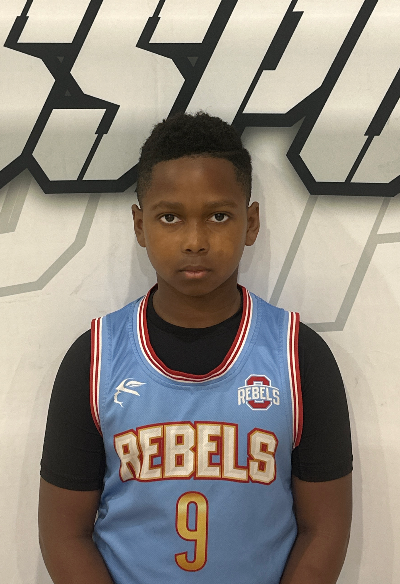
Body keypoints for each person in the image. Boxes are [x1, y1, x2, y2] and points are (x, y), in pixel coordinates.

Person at [39, 112, 352, 584]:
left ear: (251, 223)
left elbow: (324, 530)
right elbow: (64, 535)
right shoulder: (95, 359)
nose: (195, 241)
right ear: (140, 225)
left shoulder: (299, 356)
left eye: (218, 216)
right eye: (170, 217)